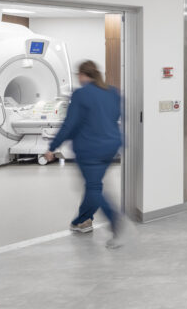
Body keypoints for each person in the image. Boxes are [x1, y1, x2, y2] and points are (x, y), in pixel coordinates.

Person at [44, 60, 124, 249]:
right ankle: (83, 220)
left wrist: (52, 147)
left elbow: (70, 124)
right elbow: (114, 117)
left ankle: (116, 224)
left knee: (95, 188)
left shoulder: (81, 94)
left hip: (90, 149)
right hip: (111, 146)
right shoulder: (113, 92)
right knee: (93, 186)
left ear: (82, 75)